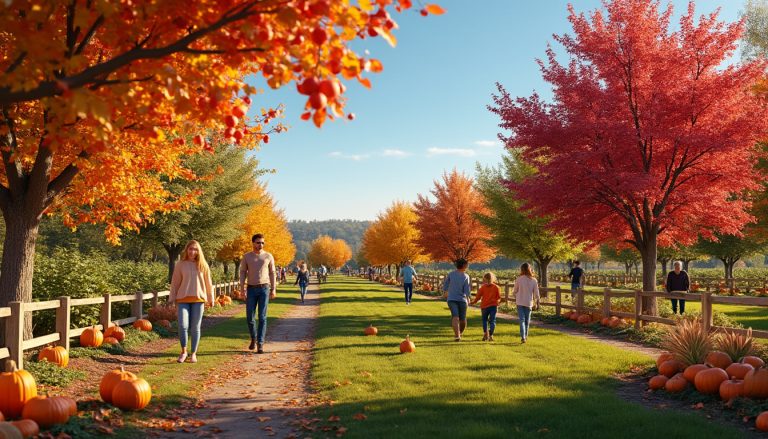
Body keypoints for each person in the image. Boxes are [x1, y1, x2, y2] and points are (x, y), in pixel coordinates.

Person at [169, 240, 214, 363]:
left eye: (195, 249)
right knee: (182, 325)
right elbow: (175, 283)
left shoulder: (203, 265)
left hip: (198, 300)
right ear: (186, 250)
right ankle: (184, 351)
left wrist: (211, 298)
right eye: (190, 249)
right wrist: (172, 298)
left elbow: (208, 283)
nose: (192, 252)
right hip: (182, 299)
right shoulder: (180, 264)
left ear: (198, 251)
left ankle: (193, 353)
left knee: (195, 327)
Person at [239, 233, 277, 354]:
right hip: (251, 289)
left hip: (264, 288)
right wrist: (242, 289)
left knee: (262, 317)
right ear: (253, 243)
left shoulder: (268, 256)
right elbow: (242, 272)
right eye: (258, 242)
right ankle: (253, 338)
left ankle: (260, 343)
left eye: (262, 243)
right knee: (250, 317)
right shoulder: (247, 256)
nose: (260, 245)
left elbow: (272, 273)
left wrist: (273, 289)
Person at [442, 258, 472, 342]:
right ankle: (458, 335)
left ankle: (458, 334)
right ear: (464, 265)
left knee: (459, 318)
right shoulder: (465, 276)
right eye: (467, 265)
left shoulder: (452, 274)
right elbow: (467, 289)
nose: (467, 266)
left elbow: (445, 284)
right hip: (458, 299)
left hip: (455, 299)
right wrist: (468, 298)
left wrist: (445, 292)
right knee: (459, 318)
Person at [513, 262, 540, 344]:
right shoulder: (534, 280)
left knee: (522, 320)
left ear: (522, 269)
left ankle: (523, 337)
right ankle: (525, 336)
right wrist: (537, 303)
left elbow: (515, 291)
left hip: (520, 302)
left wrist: (516, 296)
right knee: (527, 321)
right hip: (528, 302)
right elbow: (536, 293)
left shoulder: (519, 279)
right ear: (529, 269)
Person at [471, 272, 501, 341]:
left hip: (484, 306)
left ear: (484, 279)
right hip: (493, 306)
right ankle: (490, 335)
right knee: (493, 321)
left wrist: (473, 302)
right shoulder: (496, 287)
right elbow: (499, 297)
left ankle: (485, 333)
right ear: (493, 278)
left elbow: (478, 296)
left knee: (484, 320)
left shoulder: (483, 287)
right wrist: (497, 302)